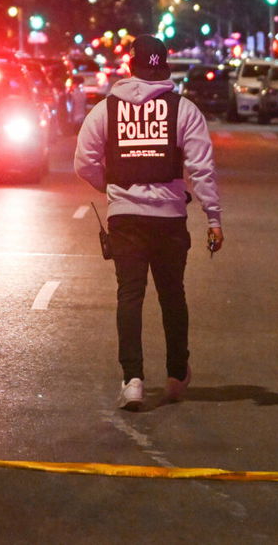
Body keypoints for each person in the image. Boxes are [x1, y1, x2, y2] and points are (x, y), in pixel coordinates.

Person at [74, 35, 223, 411]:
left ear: (130, 66)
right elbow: (201, 168)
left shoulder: (105, 111)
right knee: (173, 295)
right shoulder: (183, 110)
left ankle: (133, 380)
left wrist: (110, 184)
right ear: (164, 66)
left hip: (125, 217)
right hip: (170, 217)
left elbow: (84, 162)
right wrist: (213, 218)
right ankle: (175, 375)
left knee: (130, 295)